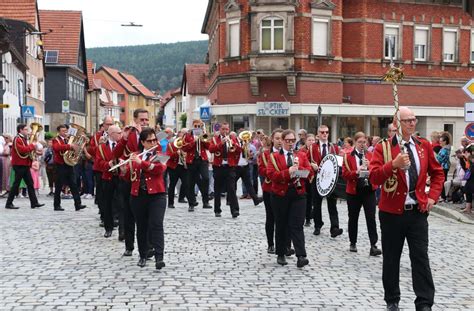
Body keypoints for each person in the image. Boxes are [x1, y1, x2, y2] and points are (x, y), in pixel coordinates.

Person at [370, 107, 444, 311]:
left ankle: (424, 302)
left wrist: (432, 197)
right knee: (392, 258)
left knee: (420, 257)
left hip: (417, 212)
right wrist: (393, 164)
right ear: (397, 123)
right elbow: (374, 177)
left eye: (414, 119)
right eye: (407, 120)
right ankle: (392, 300)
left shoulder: (424, 146)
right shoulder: (383, 148)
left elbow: (438, 174)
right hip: (392, 213)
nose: (412, 123)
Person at [267, 129, 313, 268]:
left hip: (298, 194)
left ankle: (301, 256)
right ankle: (281, 253)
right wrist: (288, 172)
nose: (290, 143)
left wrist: (300, 171)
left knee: (297, 225)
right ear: (281, 141)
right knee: (281, 224)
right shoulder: (274, 157)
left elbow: (309, 170)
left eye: (293, 141)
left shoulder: (302, 155)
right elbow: (271, 175)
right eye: (287, 141)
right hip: (280, 195)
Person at [126, 128, 167, 270]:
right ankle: (143, 255)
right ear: (143, 142)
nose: (153, 142)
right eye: (149, 141)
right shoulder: (136, 155)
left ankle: (159, 257)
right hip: (138, 195)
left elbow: (159, 169)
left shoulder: (161, 154)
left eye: (155, 140)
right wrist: (125, 167)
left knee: (156, 224)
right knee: (141, 226)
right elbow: (127, 177)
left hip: (157, 195)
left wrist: (140, 163)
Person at [341, 132, 382, 256]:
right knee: (353, 217)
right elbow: (344, 174)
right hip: (354, 191)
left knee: (371, 217)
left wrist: (370, 167)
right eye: (359, 142)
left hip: (368, 190)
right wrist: (357, 172)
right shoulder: (348, 156)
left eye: (364, 142)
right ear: (355, 142)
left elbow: (378, 171)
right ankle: (352, 242)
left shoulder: (371, 155)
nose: (362, 145)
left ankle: (373, 245)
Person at [308, 125, 343, 238]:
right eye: (322, 132)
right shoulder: (312, 147)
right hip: (317, 178)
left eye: (326, 132)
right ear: (318, 134)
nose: (324, 134)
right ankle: (318, 225)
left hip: (330, 179)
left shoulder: (334, 147)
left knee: (332, 204)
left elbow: (339, 162)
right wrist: (311, 165)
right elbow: (306, 161)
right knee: (317, 203)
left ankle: (335, 228)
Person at [4, 124, 44, 209]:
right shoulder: (17, 139)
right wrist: (33, 146)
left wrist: (33, 150)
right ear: (20, 130)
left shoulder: (24, 139)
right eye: (26, 129)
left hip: (25, 164)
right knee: (16, 184)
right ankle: (8, 203)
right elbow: (22, 150)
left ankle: (34, 202)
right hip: (19, 164)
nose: (28, 131)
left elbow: (27, 151)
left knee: (30, 183)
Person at [209, 122, 242, 218]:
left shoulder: (233, 138)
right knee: (217, 189)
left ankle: (235, 210)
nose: (225, 131)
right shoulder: (215, 139)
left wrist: (233, 144)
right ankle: (217, 210)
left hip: (230, 166)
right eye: (223, 129)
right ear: (220, 130)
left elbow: (240, 150)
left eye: (226, 129)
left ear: (229, 129)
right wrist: (221, 143)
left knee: (231, 189)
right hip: (218, 167)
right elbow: (211, 149)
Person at [95, 125, 123, 238]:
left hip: (121, 177)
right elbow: (98, 162)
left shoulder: (122, 146)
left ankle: (122, 230)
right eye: (118, 133)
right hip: (107, 178)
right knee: (107, 203)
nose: (120, 135)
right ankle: (108, 228)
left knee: (122, 204)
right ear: (111, 134)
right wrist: (108, 164)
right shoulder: (101, 147)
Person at [258, 130, 283, 254]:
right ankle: (270, 244)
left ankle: (284, 245)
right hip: (269, 188)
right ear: (272, 139)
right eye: (277, 138)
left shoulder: (288, 154)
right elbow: (261, 169)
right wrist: (270, 172)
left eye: (281, 138)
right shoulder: (265, 154)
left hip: (284, 189)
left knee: (283, 218)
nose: (279, 141)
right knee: (271, 217)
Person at [52, 124, 86, 211]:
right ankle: (57, 205)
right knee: (59, 186)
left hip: (69, 165)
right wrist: (70, 146)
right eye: (63, 131)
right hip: (60, 165)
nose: (65, 132)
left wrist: (78, 146)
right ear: (59, 132)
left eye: (66, 131)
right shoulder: (56, 140)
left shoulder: (68, 140)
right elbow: (56, 148)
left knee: (74, 185)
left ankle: (78, 204)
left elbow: (76, 150)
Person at [182, 120, 212, 211]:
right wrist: (193, 142)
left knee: (206, 178)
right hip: (191, 161)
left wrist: (203, 138)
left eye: (199, 125)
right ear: (193, 126)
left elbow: (208, 146)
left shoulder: (204, 134)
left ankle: (205, 201)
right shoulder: (187, 135)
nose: (197, 127)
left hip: (202, 159)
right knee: (191, 183)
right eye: (196, 125)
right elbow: (184, 148)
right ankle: (191, 203)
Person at [166, 129, 191, 209]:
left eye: (186, 133)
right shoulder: (171, 143)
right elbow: (168, 155)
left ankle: (190, 202)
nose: (184, 135)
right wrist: (176, 153)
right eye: (183, 133)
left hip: (183, 166)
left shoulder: (186, 143)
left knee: (186, 184)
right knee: (172, 184)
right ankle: (170, 203)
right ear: (179, 134)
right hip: (174, 166)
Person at [436, 132, 452, 201]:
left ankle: (443, 197)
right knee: (443, 181)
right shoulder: (447, 148)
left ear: (445, 141)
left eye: (441, 141)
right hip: (445, 167)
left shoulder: (444, 149)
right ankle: (443, 196)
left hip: (443, 167)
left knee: (442, 181)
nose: (440, 143)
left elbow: (439, 159)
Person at [460, 144, 473, 213]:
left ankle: (470, 208)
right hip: (471, 177)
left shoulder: (471, 158)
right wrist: (462, 159)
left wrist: (468, 158)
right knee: (467, 190)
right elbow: (465, 168)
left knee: (469, 189)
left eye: (467, 152)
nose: (466, 153)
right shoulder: (469, 158)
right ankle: (468, 208)